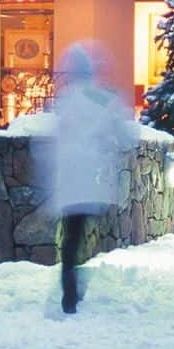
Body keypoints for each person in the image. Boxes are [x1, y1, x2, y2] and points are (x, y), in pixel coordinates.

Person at [50, 43, 136, 314]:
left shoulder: (64, 100)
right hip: (93, 176)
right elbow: (124, 135)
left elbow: (56, 135)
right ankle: (75, 285)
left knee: (71, 235)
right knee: (83, 233)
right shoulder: (105, 98)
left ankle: (70, 289)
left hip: (68, 175)